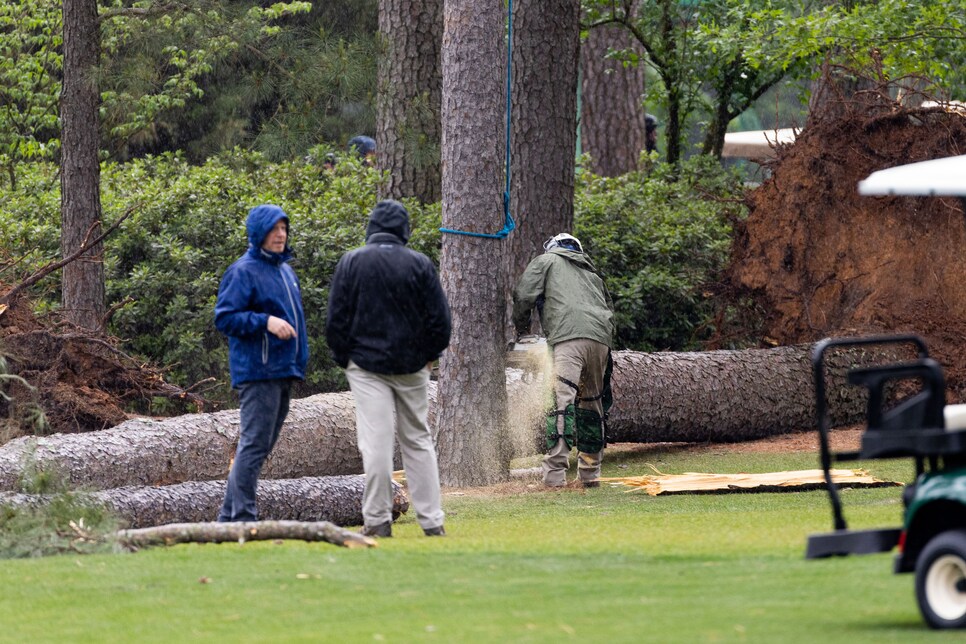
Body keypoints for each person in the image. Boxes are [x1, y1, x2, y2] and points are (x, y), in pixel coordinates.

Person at [325, 199, 451, 538]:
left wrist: (346, 359)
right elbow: (441, 321)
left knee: (376, 443)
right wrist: (428, 355)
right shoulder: (420, 264)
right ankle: (431, 520)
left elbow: (335, 321)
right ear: (404, 230)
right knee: (418, 440)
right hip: (412, 367)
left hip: (366, 367)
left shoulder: (351, 261)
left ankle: (378, 520)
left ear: (371, 228)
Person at [214, 204, 308, 522]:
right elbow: (225, 318)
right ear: (259, 233)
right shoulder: (243, 270)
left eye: (283, 228)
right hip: (258, 370)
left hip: (283, 369)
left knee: (261, 445)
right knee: (254, 444)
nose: (280, 234)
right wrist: (265, 321)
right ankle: (242, 516)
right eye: (273, 229)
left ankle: (228, 518)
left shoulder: (285, 270)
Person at [512, 233, 614, 488]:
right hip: (600, 341)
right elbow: (610, 312)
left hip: (568, 339)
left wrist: (522, 330)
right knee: (592, 405)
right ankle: (590, 475)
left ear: (553, 248)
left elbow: (524, 295)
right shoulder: (593, 275)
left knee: (561, 402)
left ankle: (554, 476)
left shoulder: (546, 261)